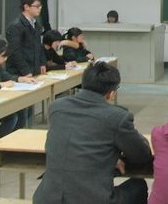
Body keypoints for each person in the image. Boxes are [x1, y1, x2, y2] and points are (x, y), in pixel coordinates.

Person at [33, 62, 151, 204]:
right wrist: (115, 157)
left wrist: (109, 157)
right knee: (138, 185)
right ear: (111, 93)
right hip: (91, 200)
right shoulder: (117, 117)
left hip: (47, 199)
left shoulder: (57, 107)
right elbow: (141, 155)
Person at [6, 0, 47, 76]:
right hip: (19, 72)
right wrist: (26, 71)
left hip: (34, 69)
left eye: (40, 6)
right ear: (26, 7)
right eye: (37, 6)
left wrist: (42, 63)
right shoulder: (16, 26)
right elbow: (15, 51)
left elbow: (39, 46)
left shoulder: (37, 24)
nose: (40, 8)